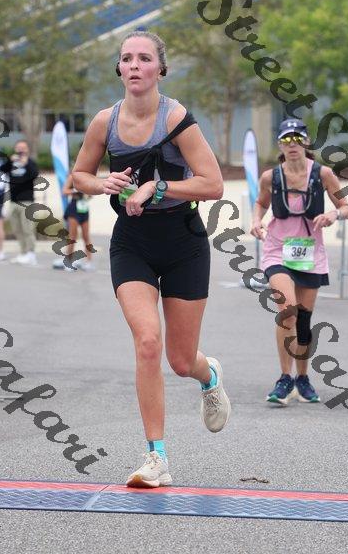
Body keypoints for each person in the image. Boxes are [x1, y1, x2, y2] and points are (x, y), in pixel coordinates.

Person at [72, 30, 231, 488]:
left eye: (144, 58)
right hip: (132, 242)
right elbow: (81, 174)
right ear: (119, 69)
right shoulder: (105, 121)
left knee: (180, 360)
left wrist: (156, 187)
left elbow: (212, 184)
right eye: (127, 58)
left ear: (160, 68)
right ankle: (156, 457)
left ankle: (209, 374)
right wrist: (101, 183)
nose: (134, 66)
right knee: (147, 341)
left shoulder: (175, 117)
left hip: (184, 241)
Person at [251, 118, 348, 405]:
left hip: (310, 254)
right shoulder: (271, 177)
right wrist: (256, 221)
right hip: (277, 250)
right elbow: (261, 202)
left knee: (304, 321)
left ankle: (302, 378)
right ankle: (285, 378)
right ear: (280, 144)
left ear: (306, 142)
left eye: (297, 139)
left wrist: (333, 214)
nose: (292, 144)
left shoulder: (323, 174)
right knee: (288, 311)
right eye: (286, 139)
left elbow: (345, 207)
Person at [0, 140, 39, 265]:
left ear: (27, 149)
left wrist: (25, 163)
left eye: (23, 147)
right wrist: (10, 160)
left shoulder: (30, 162)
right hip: (13, 201)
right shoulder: (12, 162)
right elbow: (2, 169)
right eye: (18, 147)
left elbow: (34, 174)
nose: (21, 150)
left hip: (27, 201)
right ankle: (23, 253)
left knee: (27, 229)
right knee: (17, 229)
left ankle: (31, 254)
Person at [62, 173, 94, 271]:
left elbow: (91, 194)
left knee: (86, 236)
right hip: (74, 208)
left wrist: (88, 193)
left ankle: (89, 261)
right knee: (73, 236)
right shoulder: (72, 176)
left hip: (84, 207)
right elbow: (64, 191)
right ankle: (68, 261)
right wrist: (76, 190)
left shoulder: (88, 177)